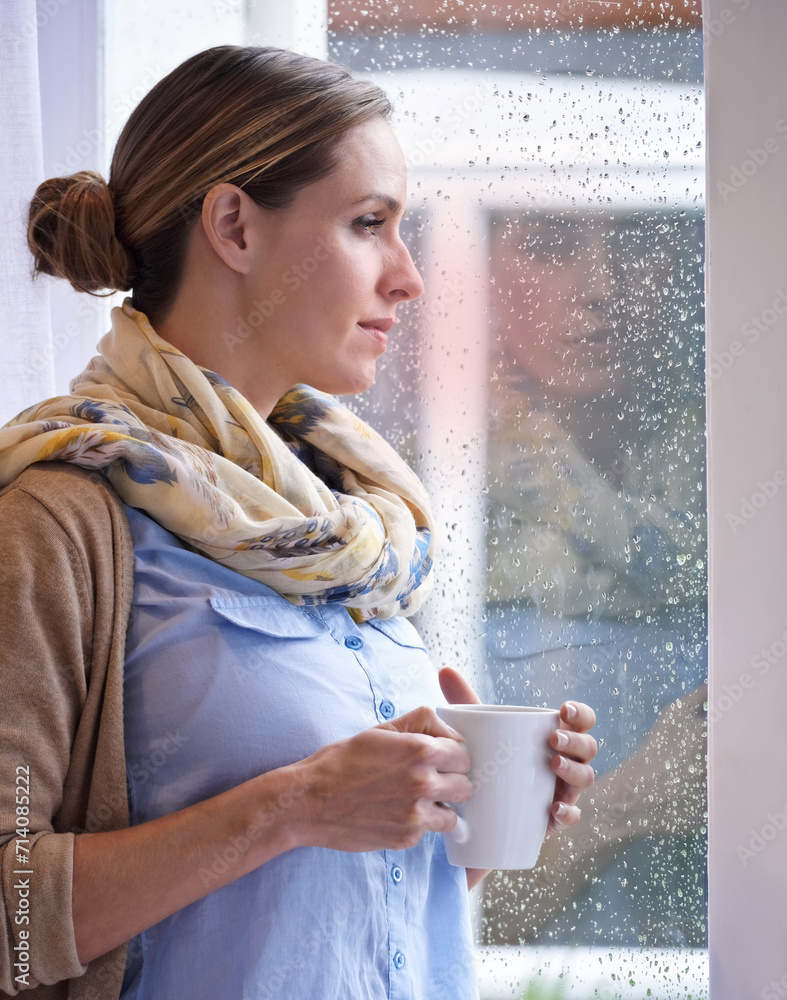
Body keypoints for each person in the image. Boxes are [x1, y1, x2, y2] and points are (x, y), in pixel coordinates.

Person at [0, 47, 596, 999]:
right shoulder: (58, 520)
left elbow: (332, 903)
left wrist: (466, 810)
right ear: (233, 225)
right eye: (370, 224)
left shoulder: (347, 524)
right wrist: (296, 804)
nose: (408, 277)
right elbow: (11, 924)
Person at [482, 211, 707, 945]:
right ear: (483, 271)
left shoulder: (743, 477)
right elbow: (428, 916)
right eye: (549, 245)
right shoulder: (422, 511)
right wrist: (626, 803)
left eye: (638, 242)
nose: (601, 288)